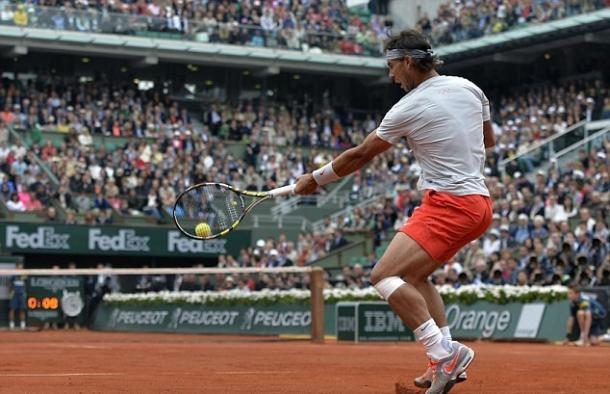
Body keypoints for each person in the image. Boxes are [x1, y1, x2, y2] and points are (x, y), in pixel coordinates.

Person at [295, 28, 494, 394]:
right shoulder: (470, 88)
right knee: (415, 278)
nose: (390, 75)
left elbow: (360, 155)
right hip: (479, 204)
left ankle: (443, 354)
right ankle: (443, 361)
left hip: (449, 203)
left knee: (384, 276)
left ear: (407, 61)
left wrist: (314, 179)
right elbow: (488, 140)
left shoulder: (409, 107)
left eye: (392, 66)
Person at [8, 262, 27, 330]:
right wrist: (10, 292)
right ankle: (11, 325)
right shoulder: (13, 275)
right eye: (19, 267)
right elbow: (9, 284)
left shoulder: (24, 275)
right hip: (14, 295)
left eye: (21, 267)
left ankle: (22, 325)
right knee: (12, 309)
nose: (20, 268)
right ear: (16, 268)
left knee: (22, 309)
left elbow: (25, 281)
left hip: (22, 294)